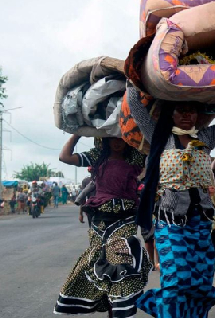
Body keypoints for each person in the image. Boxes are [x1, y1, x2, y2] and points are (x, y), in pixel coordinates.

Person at [135, 79, 215, 318]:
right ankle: (162, 308)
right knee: (177, 280)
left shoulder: (206, 137)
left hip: (201, 222)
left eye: (192, 111)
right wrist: (132, 80)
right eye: (181, 111)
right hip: (170, 222)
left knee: (199, 282)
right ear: (172, 113)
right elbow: (136, 108)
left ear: (198, 115)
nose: (187, 115)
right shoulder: (160, 137)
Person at [53, 136, 152, 318]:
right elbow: (64, 157)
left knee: (121, 262)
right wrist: (77, 134)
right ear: (104, 140)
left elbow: (154, 153)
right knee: (101, 265)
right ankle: (111, 310)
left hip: (125, 218)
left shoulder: (136, 157)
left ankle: (120, 312)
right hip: (100, 220)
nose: (117, 142)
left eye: (121, 138)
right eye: (112, 138)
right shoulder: (98, 156)